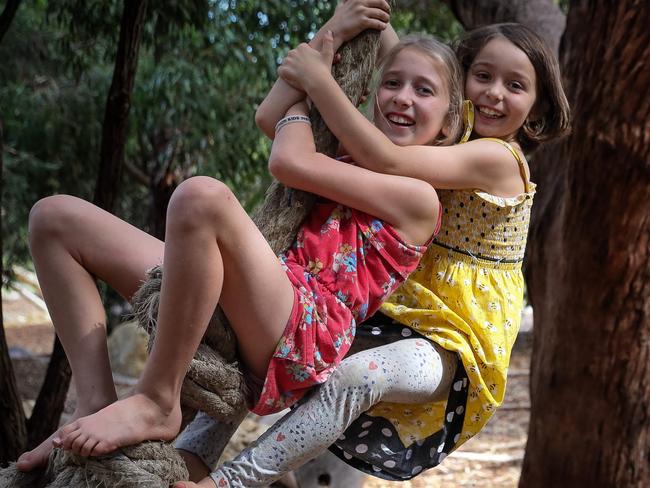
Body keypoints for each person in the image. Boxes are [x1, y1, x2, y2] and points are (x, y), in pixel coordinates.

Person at [16, 14, 452, 480]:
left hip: (303, 333)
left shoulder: (420, 198)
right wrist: (329, 35)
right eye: (392, 83)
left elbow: (287, 157)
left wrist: (313, 79)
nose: (403, 97)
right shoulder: (341, 153)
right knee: (54, 219)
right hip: (259, 297)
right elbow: (269, 116)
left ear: (447, 126)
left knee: (202, 198)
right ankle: (94, 401)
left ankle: (159, 399)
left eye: (423, 90)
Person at [173, 20, 571, 487]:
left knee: (359, 377)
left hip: (455, 343)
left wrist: (318, 82)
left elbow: (389, 158)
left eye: (515, 85)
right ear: (461, 81)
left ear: (538, 107)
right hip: (399, 312)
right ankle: (196, 452)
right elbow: (409, 61)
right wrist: (359, 20)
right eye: (482, 76)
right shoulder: (450, 136)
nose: (494, 94)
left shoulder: (500, 159)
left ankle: (235, 481)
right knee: (277, 340)